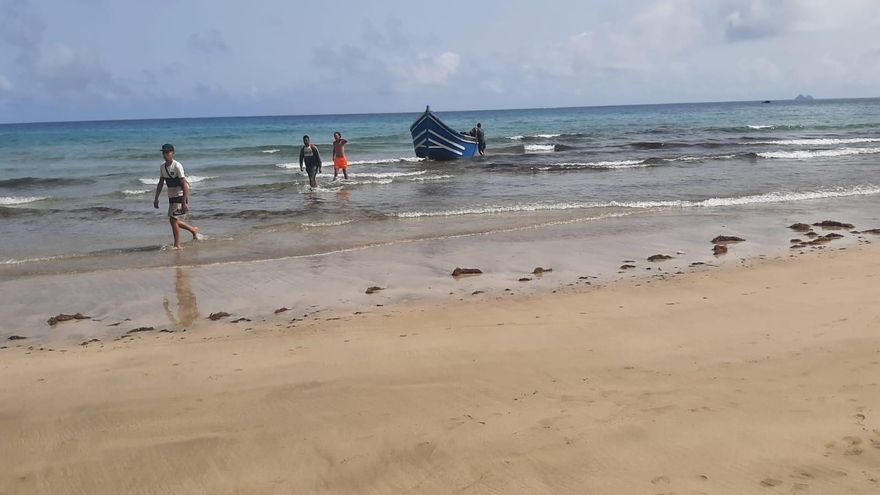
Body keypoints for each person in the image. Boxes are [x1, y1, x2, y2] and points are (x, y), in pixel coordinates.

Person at [153, 143, 200, 249]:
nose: (165, 154)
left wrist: (184, 203)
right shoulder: (162, 167)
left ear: (172, 153)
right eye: (164, 153)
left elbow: (185, 185)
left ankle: (177, 245)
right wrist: (156, 198)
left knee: (173, 220)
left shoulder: (177, 166)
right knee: (173, 220)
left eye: (167, 152)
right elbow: (161, 183)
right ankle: (193, 230)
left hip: (180, 194)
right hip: (171, 195)